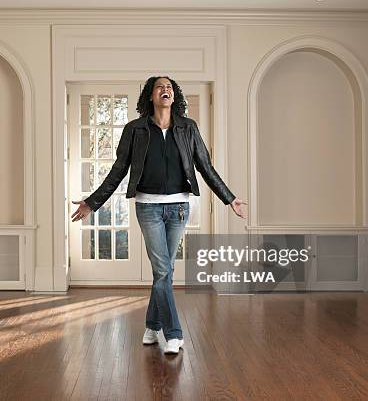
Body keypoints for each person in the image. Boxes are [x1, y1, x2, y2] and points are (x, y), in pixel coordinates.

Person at [71, 76, 247, 355]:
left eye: (169, 88)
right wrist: (93, 203)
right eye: (159, 87)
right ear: (151, 96)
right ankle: (174, 333)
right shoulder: (135, 129)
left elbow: (205, 166)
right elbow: (119, 170)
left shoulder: (188, 128)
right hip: (148, 207)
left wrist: (229, 198)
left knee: (163, 271)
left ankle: (152, 325)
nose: (165, 90)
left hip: (179, 207)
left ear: (174, 96)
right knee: (163, 269)